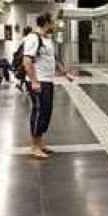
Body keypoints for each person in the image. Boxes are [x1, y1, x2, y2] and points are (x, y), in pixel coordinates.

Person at [22, 13, 74, 159]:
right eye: (53, 23)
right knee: (38, 111)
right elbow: (27, 61)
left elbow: (54, 59)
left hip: (48, 80)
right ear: (45, 23)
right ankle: (34, 146)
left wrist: (65, 74)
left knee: (46, 112)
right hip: (38, 81)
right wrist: (34, 81)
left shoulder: (48, 40)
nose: (55, 26)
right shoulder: (33, 38)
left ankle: (41, 143)